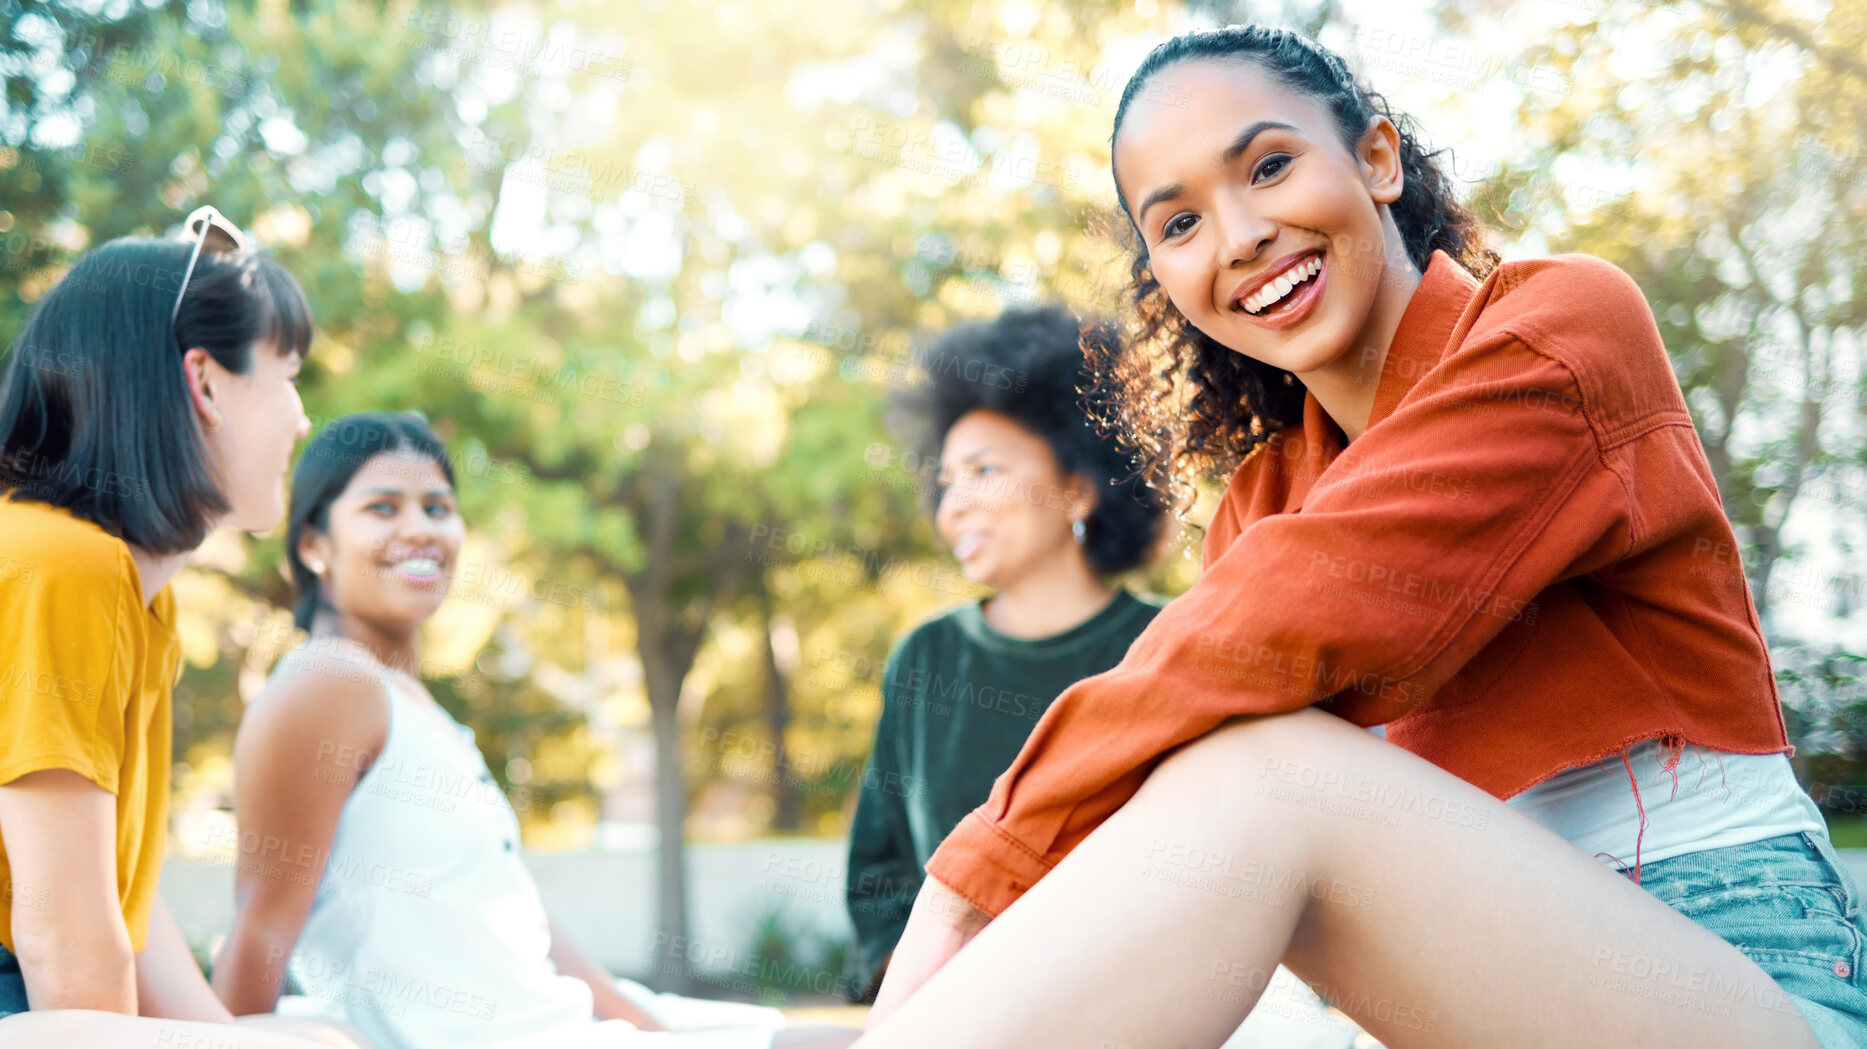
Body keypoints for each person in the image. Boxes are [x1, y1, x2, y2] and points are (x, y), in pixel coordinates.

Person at [858, 25, 1867, 1049]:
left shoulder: (1564, 331)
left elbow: (1291, 619)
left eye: (1268, 166)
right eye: (1178, 226)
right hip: (1472, 996)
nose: (1239, 237)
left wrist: (965, 883)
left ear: (1377, 157)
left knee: (1267, 765)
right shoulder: (1266, 502)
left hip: (1744, 967)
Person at [213, 413, 859, 1049]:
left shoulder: (416, 708)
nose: (419, 529)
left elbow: (521, 924)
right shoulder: (327, 681)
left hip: (554, 1021)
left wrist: (651, 1028)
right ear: (312, 543)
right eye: (383, 507)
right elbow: (260, 926)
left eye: (438, 507)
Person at [0, 210, 357, 1049]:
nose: (302, 419)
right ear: (204, 384)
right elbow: (62, 941)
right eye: (287, 376)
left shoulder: (133, 591)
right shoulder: (59, 566)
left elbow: (121, 901)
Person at [845, 305, 1170, 997]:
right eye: (945, 480)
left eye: (984, 469)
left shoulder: (1170, 647)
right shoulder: (926, 658)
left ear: (1077, 488)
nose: (953, 504)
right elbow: (879, 872)